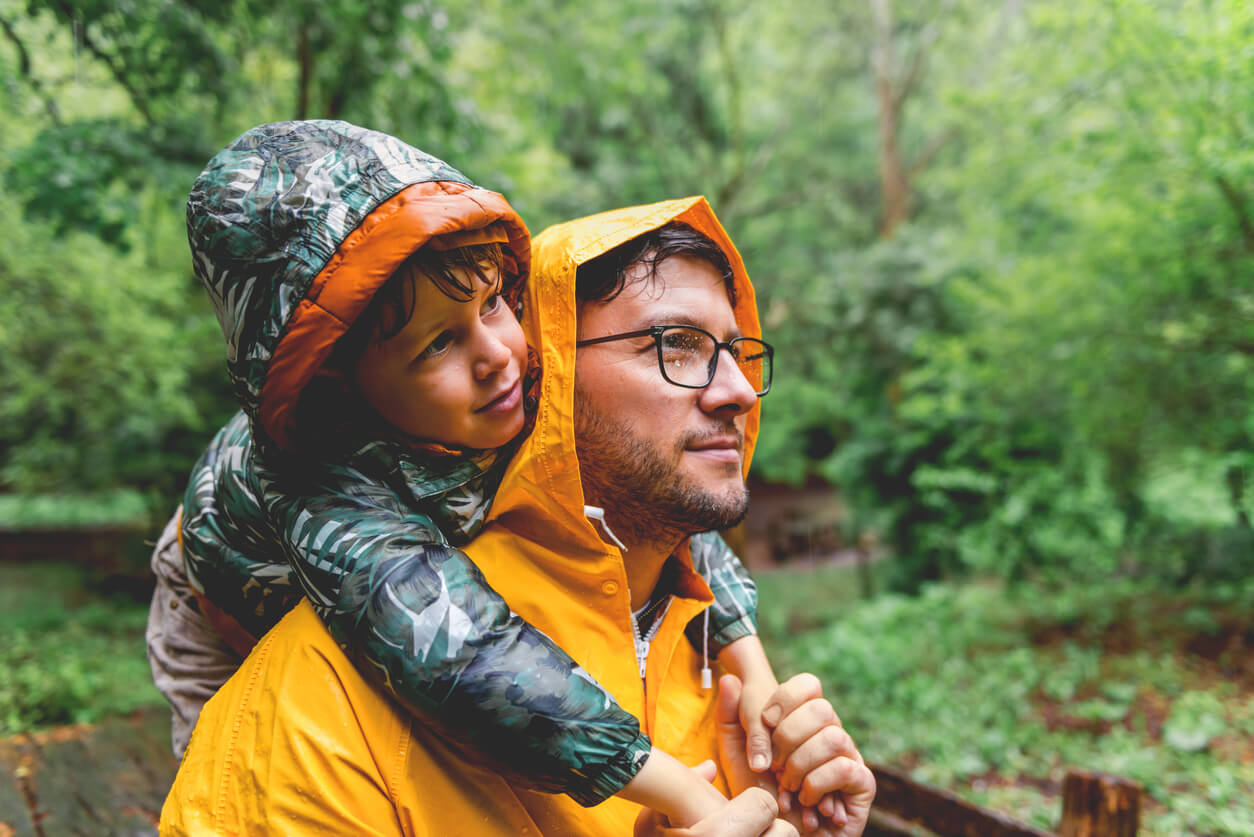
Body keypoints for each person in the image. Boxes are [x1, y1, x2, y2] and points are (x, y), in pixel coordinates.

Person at [159, 196, 876, 836]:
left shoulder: (695, 639)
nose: (739, 392)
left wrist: (759, 689)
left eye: (735, 350)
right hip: (227, 580)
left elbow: (702, 550)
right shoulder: (326, 682)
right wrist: (693, 796)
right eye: (673, 346)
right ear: (557, 374)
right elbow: (460, 650)